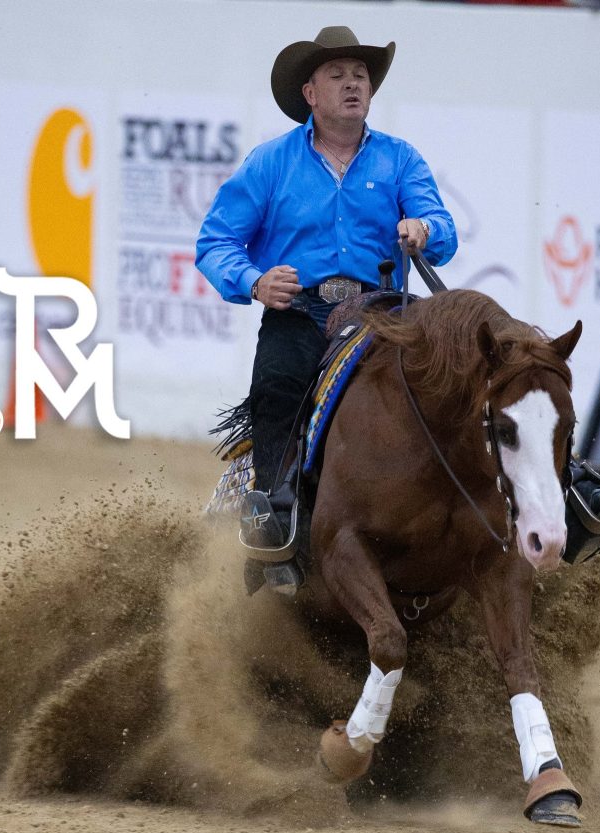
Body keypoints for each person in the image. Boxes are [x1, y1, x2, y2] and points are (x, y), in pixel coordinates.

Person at [196, 26, 457, 573]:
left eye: (359, 75)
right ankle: (273, 516)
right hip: (299, 311)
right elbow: (216, 242)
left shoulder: (400, 159)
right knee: (277, 386)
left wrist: (424, 228)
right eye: (336, 75)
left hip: (381, 311)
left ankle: (529, 495)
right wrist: (255, 282)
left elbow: (443, 225)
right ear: (309, 94)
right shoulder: (271, 162)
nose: (352, 84)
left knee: (456, 374)